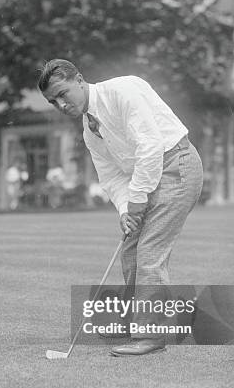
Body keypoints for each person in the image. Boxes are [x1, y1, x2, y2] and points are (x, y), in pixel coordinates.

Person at [38, 59, 203, 356]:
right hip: (148, 174)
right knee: (130, 250)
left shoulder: (122, 90)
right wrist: (126, 208)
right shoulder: (90, 130)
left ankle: (151, 335)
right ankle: (139, 322)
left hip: (177, 165)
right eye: (53, 101)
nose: (61, 104)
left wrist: (138, 198)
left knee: (150, 252)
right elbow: (111, 176)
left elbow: (151, 145)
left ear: (79, 79)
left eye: (63, 93)